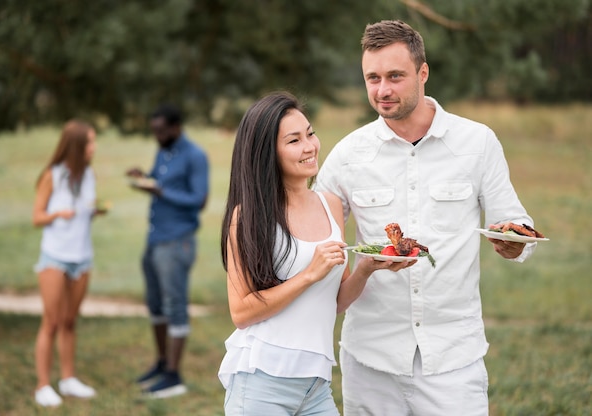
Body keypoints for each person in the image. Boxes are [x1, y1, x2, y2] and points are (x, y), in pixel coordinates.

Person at [314, 20, 538, 415]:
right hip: (371, 359)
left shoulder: (477, 142)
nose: (382, 90)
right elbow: (315, 239)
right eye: (373, 78)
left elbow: (512, 221)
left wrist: (512, 242)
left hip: (454, 358)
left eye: (395, 76)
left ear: (423, 73)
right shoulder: (348, 155)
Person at [217, 91, 408, 415]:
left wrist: (365, 268)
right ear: (268, 153)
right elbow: (242, 312)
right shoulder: (247, 215)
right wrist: (308, 275)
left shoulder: (330, 204)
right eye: (294, 141)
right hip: (262, 382)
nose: (310, 147)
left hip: (316, 386)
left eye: (310, 134)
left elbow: (333, 303)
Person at [128, 104, 209, 398]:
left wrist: (159, 191)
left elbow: (198, 199)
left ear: (176, 127)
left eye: (161, 131)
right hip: (154, 239)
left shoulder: (195, 155)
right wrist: (144, 177)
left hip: (177, 241)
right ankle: (162, 364)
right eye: (154, 131)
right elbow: (159, 181)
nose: (157, 136)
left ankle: (174, 376)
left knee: (175, 305)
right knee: (154, 304)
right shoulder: (163, 150)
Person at [32, 120, 104, 407]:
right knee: (51, 322)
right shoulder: (52, 176)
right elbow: (36, 217)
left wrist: (94, 211)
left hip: (82, 257)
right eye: (90, 142)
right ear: (76, 146)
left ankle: (68, 379)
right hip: (55, 257)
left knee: (70, 321)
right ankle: (43, 385)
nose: (93, 147)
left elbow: (85, 210)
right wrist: (57, 214)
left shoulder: (89, 175)